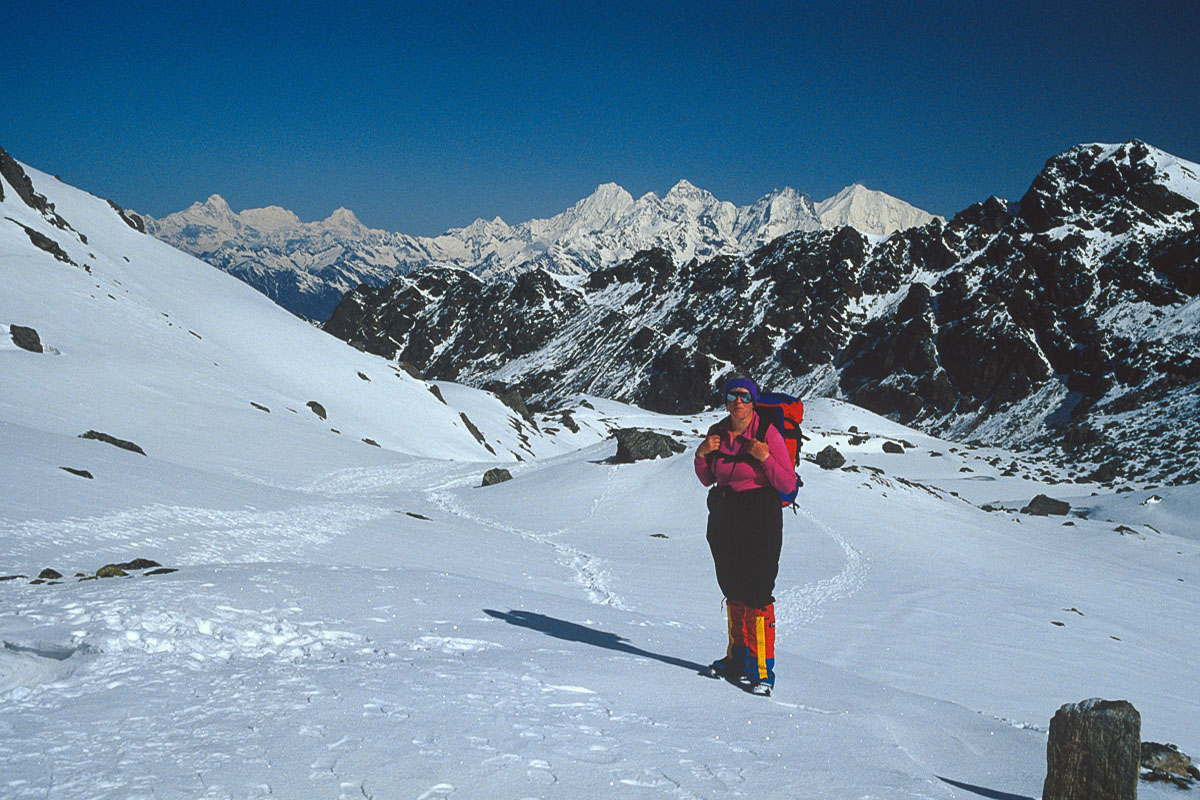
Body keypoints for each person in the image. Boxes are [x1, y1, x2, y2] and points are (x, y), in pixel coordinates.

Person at [694, 377, 796, 696]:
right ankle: (737, 659)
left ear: (753, 401)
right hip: (725, 515)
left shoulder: (767, 433)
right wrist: (700, 454)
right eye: (732, 396)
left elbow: (787, 483)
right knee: (732, 586)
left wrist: (765, 457)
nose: (738, 402)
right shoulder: (717, 433)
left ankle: (762, 669)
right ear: (725, 401)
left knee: (759, 590)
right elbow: (708, 477)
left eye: (744, 396)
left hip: (760, 514)